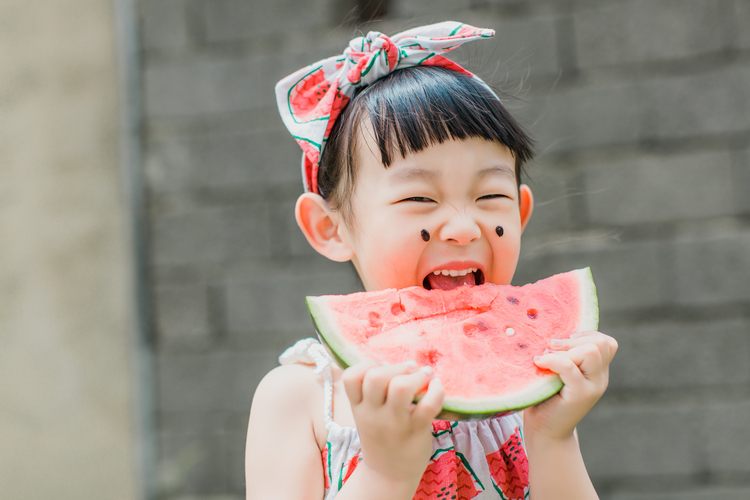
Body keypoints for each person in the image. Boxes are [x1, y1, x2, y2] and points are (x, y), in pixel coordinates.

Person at [245, 21, 617, 500]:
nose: (464, 227)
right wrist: (385, 473)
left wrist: (553, 437)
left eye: (489, 195)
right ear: (329, 228)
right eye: (419, 197)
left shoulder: (527, 382)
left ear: (521, 214)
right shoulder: (300, 399)